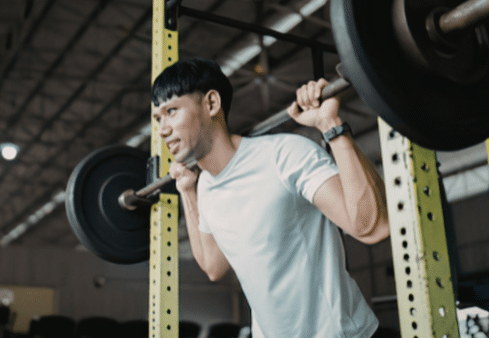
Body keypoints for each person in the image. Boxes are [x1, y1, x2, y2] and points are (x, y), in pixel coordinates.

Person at [151, 58, 390, 338]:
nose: (162, 129)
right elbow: (213, 266)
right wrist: (188, 192)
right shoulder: (204, 187)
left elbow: (372, 227)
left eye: (171, 112)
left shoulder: (283, 155)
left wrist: (331, 126)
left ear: (211, 104)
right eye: (158, 118)